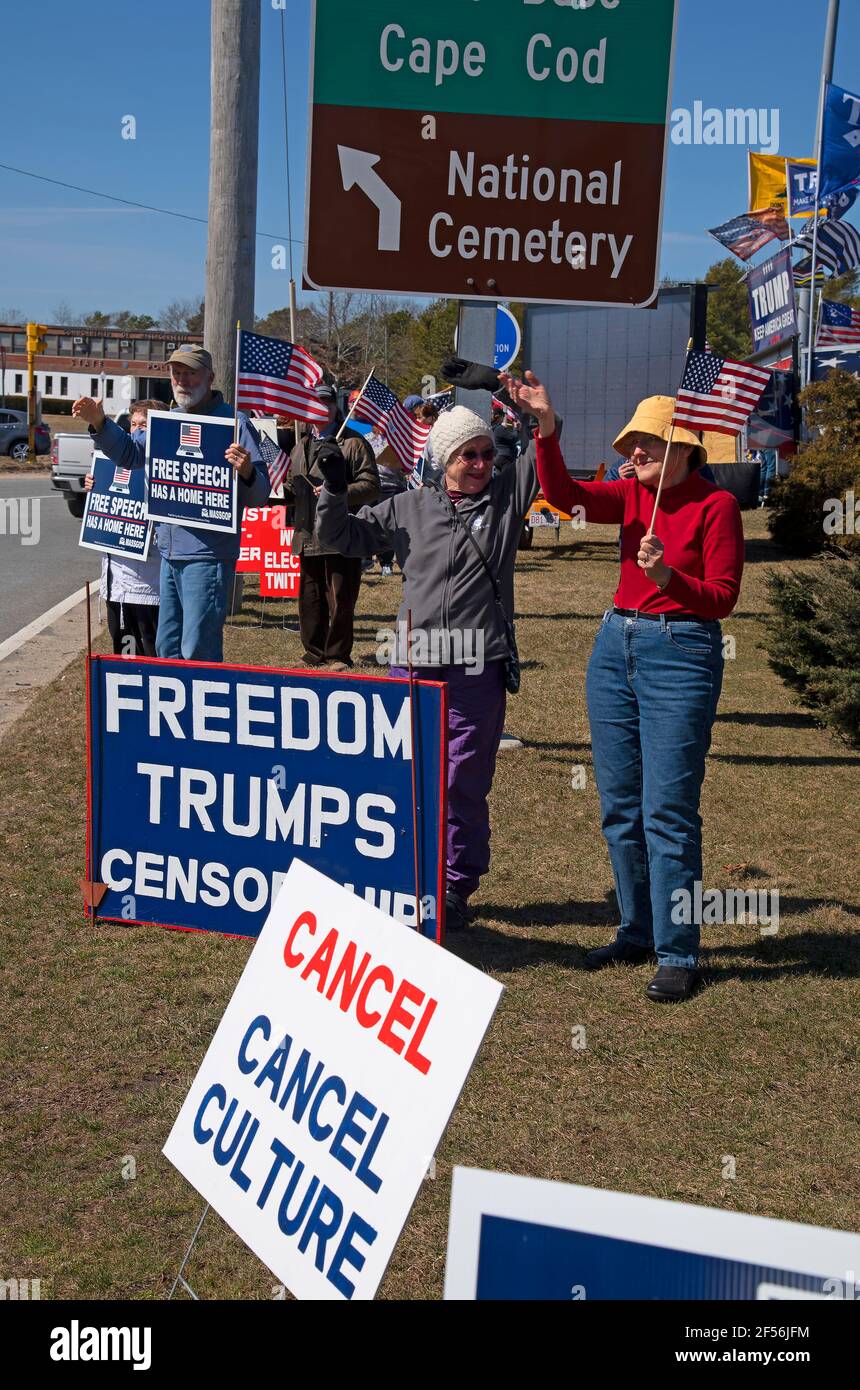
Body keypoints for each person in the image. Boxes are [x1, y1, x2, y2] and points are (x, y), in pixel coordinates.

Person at [504, 372, 744, 1004]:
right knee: (620, 805)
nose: (631, 452)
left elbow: (721, 600)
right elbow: (559, 494)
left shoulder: (715, 507)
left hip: (681, 650)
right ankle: (636, 930)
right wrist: (545, 428)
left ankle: (678, 950)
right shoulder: (632, 497)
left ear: (685, 449)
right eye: (630, 442)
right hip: (615, 647)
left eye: (647, 442)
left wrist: (667, 575)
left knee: (668, 810)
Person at [314, 403, 548, 933]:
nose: (482, 463)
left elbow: (542, 451)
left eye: (488, 453)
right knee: (405, 779)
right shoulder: (408, 507)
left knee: (460, 781)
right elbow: (339, 538)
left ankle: (453, 886)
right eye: (470, 454)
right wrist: (331, 488)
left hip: (474, 665)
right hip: (412, 665)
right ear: (445, 458)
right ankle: (404, 875)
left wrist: (519, 407)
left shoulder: (506, 502)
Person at [73, 345, 270, 662]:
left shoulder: (234, 423)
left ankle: (203, 707)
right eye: (177, 373)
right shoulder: (165, 421)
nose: (183, 380)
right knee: (168, 647)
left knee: (198, 649)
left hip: (208, 555)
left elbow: (260, 495)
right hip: (169, 551)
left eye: (191, 372)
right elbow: (129, 454)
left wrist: (246, 470)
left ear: (210, 377)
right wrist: (100, 423)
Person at [283, 383, 379, 669]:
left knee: (341, 599)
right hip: (306, 532)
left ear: (336, 407)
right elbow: (290, 485)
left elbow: (372, 486)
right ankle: (313, 653)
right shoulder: (300, 445)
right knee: (309, 600)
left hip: (341, 533)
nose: (320, 408)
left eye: (326, 403)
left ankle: (337, 655)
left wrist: (337, 492)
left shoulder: (352, 442)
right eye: (314, 403)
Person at [83, 399, 162, 656]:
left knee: (151, 651)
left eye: (145, 426)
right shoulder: (114, 458)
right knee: (123, 651)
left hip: (146, 584)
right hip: (115, 581)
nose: (137, 431)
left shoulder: (162, 468)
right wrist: (95, 487)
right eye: (133, 425)